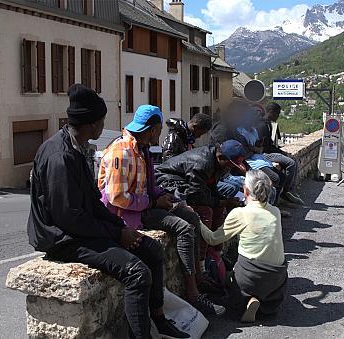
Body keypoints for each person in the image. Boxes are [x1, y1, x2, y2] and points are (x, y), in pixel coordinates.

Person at [27, 84, 188, 338]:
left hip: (79, 227)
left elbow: (93, 202)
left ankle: (159, 318)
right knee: (136, 272)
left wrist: (120, 228)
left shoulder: (76, 148)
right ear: (93, 124)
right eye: (102, 120)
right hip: (61, 237)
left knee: (152, 249)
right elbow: (69, 218)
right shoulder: (60, 156)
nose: (104, 125)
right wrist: (115, 234)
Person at [97, 105, 225, 316]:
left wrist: (170, 198)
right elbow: (117, 198)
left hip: (143, 206)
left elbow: (149, 185)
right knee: (183, 229)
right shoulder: (122, 152)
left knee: (191, 215)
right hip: (128, 215)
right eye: (158, 129)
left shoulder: (142, 148)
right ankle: (193, 292)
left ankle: (200, 278)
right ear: (152, 129)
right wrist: (153, 203)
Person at [199, 170, 287, 322]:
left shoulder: (241, 213)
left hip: (249, 276)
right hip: (276, 279)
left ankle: (247, 299)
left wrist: (196, 220)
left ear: (245, 190)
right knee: (269, 291)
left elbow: (213, 239)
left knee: (228, 281)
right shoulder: (276, 212)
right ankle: (262, 301)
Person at [155, 140, 247, 276]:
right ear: (221, 158)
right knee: (205, 211)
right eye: (230, 165)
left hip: (188, 186)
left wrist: (223, 202)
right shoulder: (202, 164)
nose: (229, 169)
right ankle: (201, 264)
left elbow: (209, 188)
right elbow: (195, 196)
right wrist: (222, 202)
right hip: (167, 183)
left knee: (218, 209)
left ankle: (216, 254)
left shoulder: (218, 162)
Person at [257, 102, 304, 205]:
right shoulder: (262, 125)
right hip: (264, 154)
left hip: (269, 151)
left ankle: (290, 189)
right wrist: (282, 153)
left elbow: (272, 144)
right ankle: (286, 191)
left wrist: (282, 152)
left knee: (293, 160)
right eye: (277, 114)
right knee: (290, 162)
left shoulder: (269, 124)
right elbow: (266, 147)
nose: (278, 117)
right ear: (271, 112)